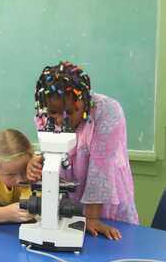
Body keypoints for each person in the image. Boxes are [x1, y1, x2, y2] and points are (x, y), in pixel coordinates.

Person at [27, 61, 138, 240]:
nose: (62, 120)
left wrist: (92, 218)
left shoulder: (107, 111)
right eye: (55, 113)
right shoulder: (45, 114)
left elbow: (101, 170)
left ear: (84, 100)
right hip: (70, 206)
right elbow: (52, 152)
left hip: (104, 205)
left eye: (70, 112)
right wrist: (37, 163)